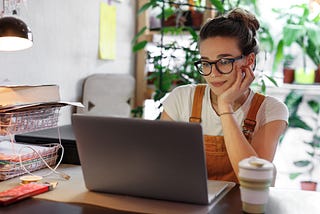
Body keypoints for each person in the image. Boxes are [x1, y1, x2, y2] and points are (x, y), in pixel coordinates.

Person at [160, 8, 288, 183]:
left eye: (224, 61)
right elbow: (161, 165)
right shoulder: (182, 98)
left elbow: (255, 180)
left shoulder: (270, 110)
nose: (213, 73)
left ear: (249, 61)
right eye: (206, 63)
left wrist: (225, 106)